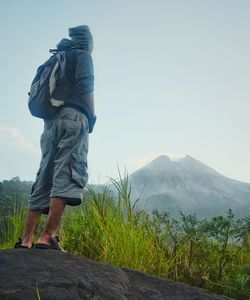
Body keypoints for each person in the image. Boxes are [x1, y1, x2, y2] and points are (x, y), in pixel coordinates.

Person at [15, 25, 96, 250]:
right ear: (88, 42)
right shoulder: (82, 55)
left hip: (50, 124)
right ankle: (47, 236)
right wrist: (92, 115)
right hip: (74, 118)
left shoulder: (55, 59)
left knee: (44, 175)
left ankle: (26, 239)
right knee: (67, 171)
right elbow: (86, 85)